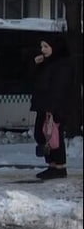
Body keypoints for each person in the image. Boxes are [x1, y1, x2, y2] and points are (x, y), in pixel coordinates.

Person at [31, 35, 74, 179]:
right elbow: (36, 81)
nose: (42, 50)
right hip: (45, 105)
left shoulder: (62, 64)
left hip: (55, 106)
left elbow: (59, 87)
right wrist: (36, 65)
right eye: (42, 46)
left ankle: (59, 166)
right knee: (42, 134)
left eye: (46, 46)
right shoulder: (47, 62)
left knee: (53, 135)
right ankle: (52, 165)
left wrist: (52, 108)